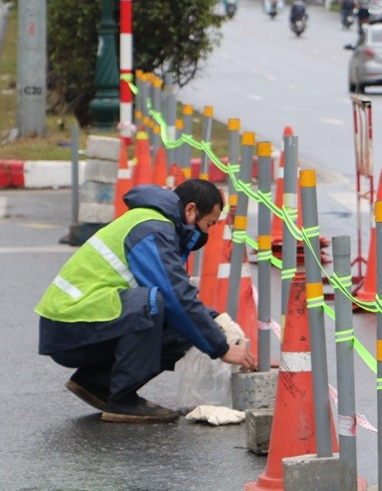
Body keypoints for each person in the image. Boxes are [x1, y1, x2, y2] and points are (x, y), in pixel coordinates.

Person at [35, 180, 256, 423]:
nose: (207, 233)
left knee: (179, 326)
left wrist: (215, 321)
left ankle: (97, 384)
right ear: (191, 210)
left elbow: (177, 297)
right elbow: (174, 296)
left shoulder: (155, 223)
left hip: (85, 319)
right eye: (209, 224)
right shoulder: (153, 229)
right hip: (70, 325)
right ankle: (122, 400)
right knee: (153, 303)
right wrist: (222, 348)